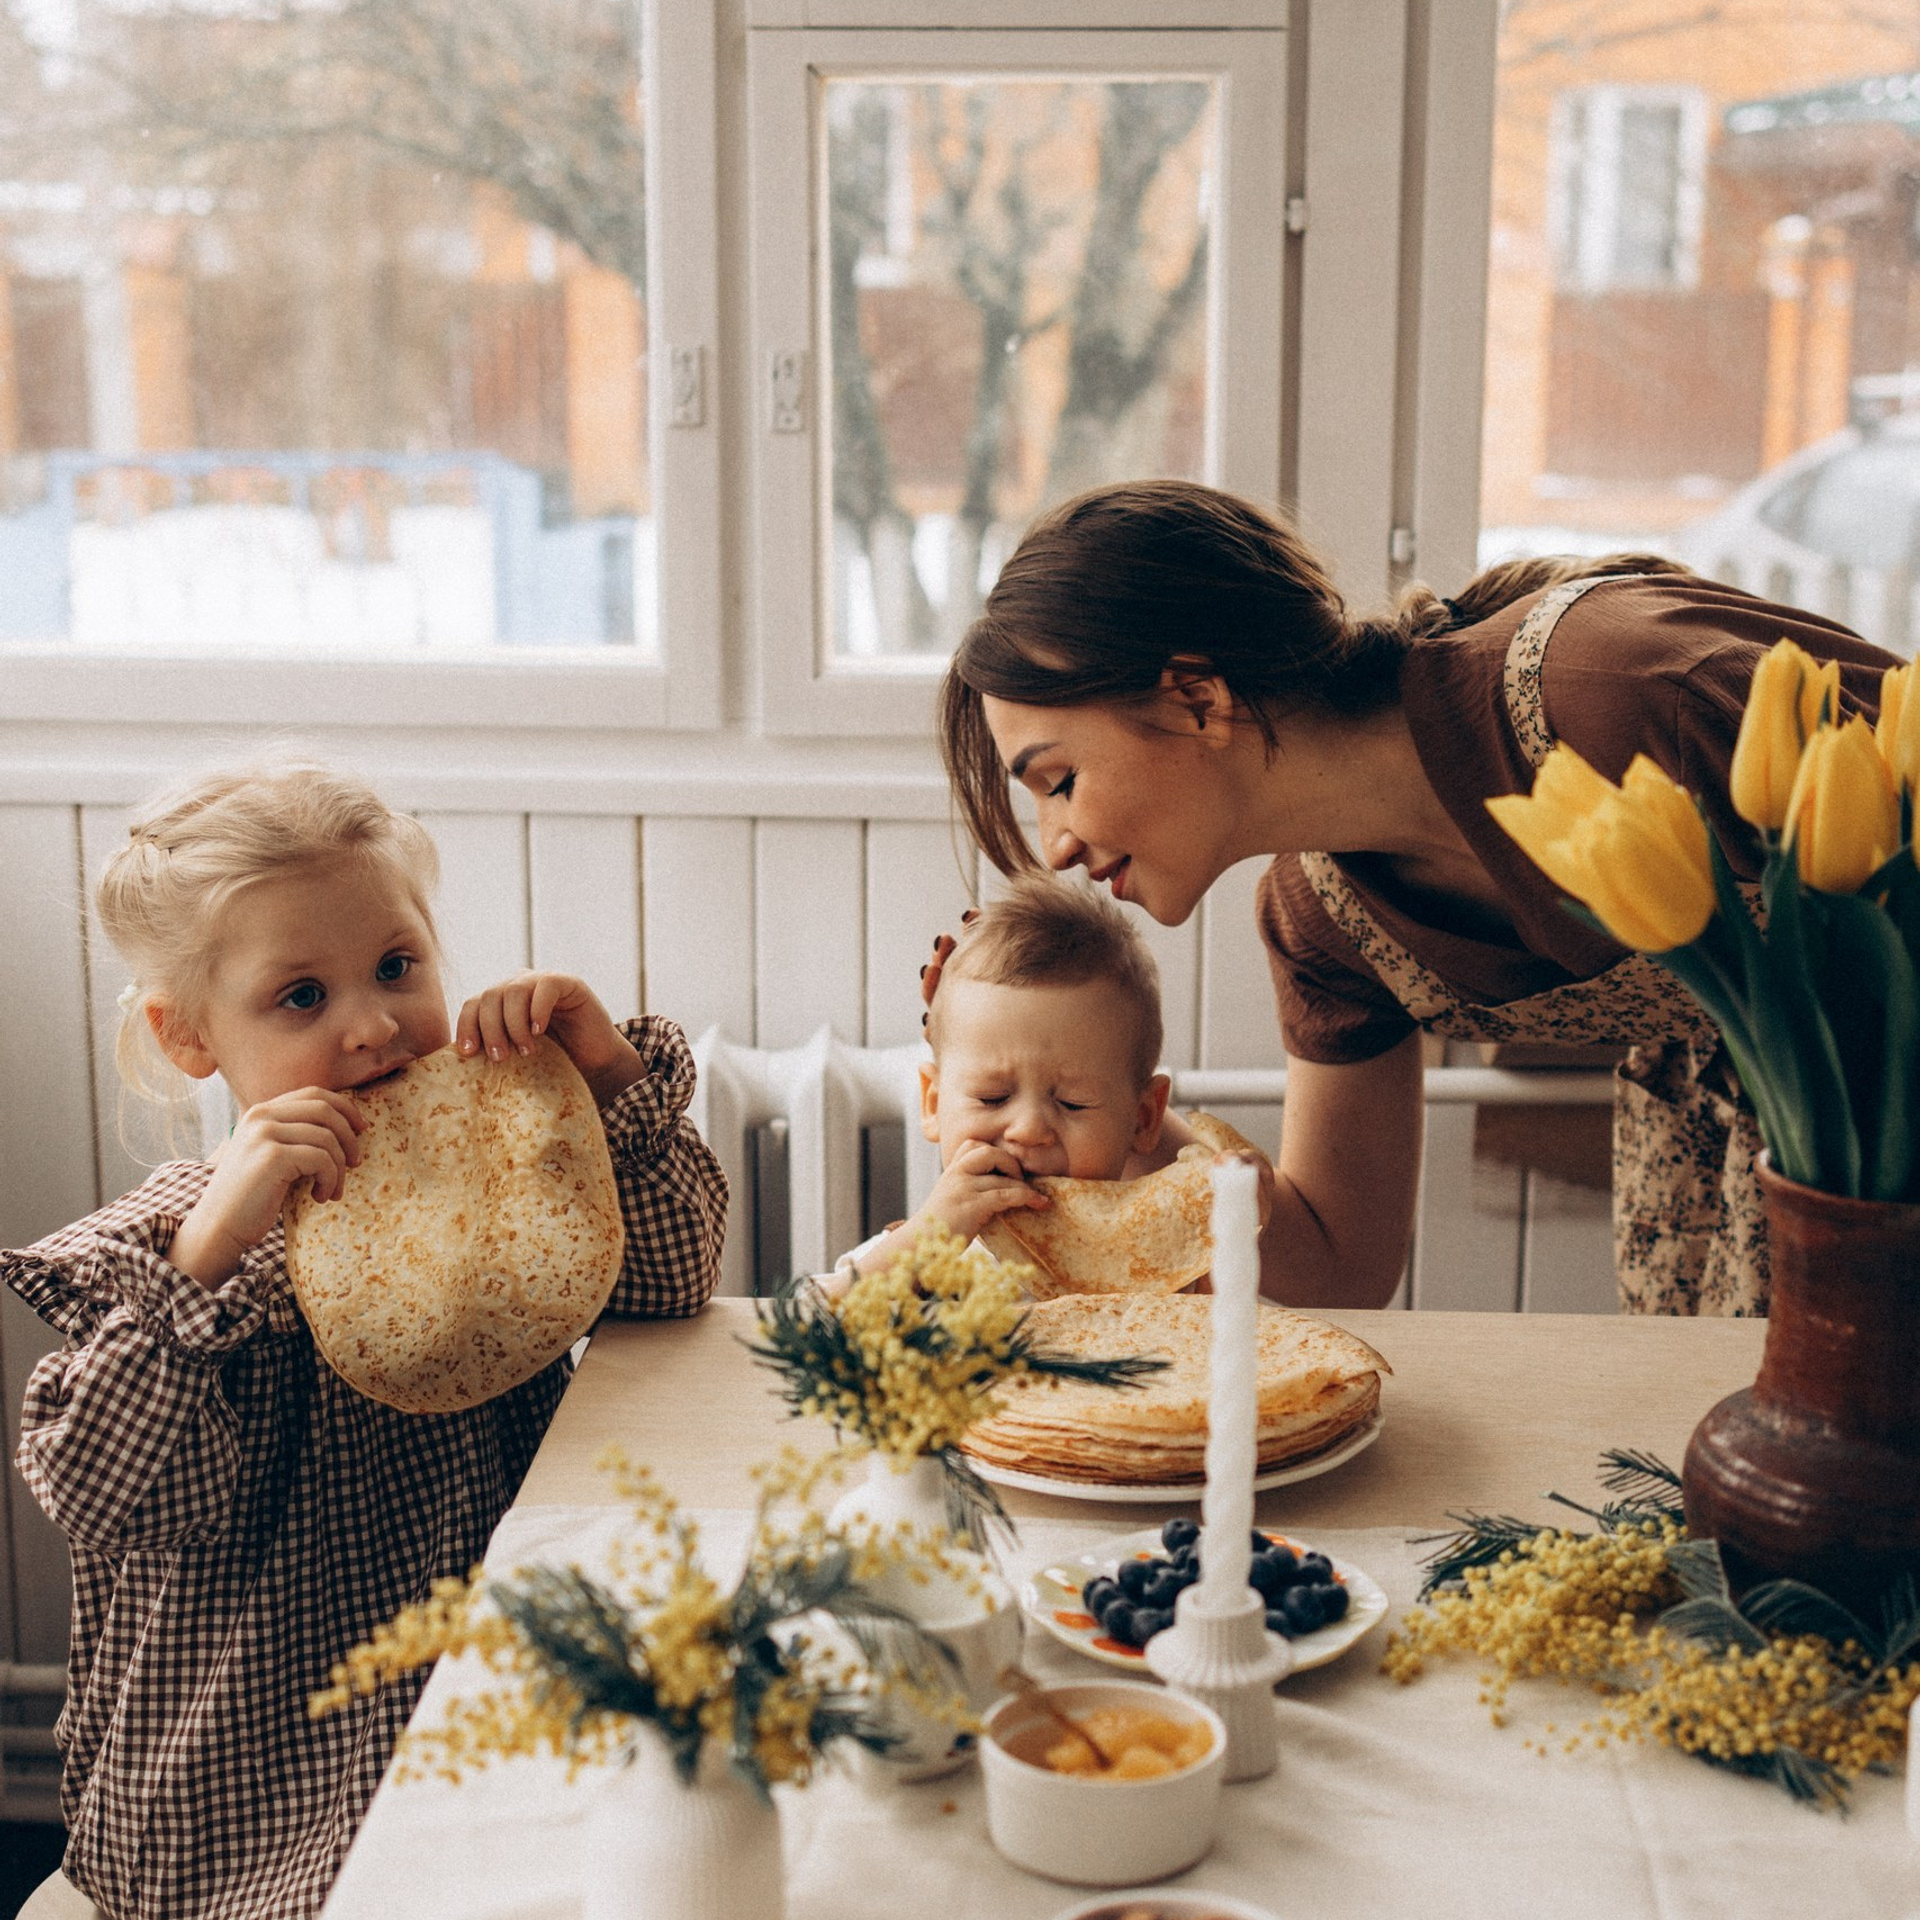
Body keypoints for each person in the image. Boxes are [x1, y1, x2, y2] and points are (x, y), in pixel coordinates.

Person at [5, 760, 726, 1920]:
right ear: (188, 1036)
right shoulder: (161, 1252)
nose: (375, 1025)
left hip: (482, 1705)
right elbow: (102, 1493)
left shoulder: (490, 1186)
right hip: (246, 1778)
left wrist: (601, 1079)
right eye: (300, 997)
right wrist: (207, 1259)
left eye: (397, 967)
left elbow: (672, 1284)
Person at [937, 479, 1896, 1317]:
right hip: (1761, 1193)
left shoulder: (1617, 687)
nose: (1054, 847)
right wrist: (1099, 1102)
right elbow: (1340, 1261)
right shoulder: (1321, 922)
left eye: (1056, 781)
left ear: (1196, 699)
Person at [825, 873, 1186, 1287]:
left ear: (1142, 1119)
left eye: (1072, 1102)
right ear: (933, 1104)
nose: (1029, 1131)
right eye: (993, 1098)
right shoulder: (909, 1255)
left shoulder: (1164, 1265)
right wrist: (924, 1243)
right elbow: (798, 1324)